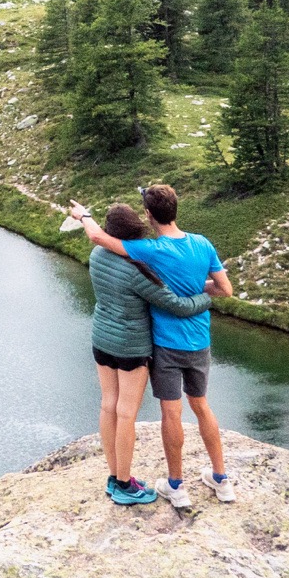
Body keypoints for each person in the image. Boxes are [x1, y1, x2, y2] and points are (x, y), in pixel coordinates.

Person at [75, 183, 235, 508]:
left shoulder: (135, 252)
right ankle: (220, 479)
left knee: (143, 410)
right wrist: (204, 293)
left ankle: (164, 484)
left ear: (149, 214)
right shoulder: (200, 244)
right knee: (198, 406)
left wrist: (83, 215)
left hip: (137, 342)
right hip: (187, 342)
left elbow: (98, 238)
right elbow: (214, 291)